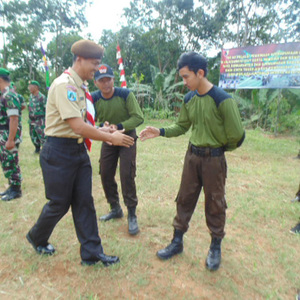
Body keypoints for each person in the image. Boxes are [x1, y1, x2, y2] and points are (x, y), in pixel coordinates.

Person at [26, 39, 135, 266]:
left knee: (85, 202)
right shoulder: (64, 85)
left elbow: (82, 124)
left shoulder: (79, 86)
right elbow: (76, 126)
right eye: (94, 64)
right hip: (59, 152)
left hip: (77, 150)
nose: (96, 69)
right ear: (80, 59)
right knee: (59, 203)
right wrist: (109, 137)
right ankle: (37, 236)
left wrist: (101, 129)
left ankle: (92, 254)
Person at [140, 52, 245, 271]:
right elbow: (182, 126)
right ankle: (177, 241)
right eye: (182, 77)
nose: (184, 82)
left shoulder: (223, 99)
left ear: (200, 73)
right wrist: (159, 131)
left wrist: (218, 150)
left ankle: (215, 247)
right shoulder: (189, 99)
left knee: (215, 203)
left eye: (186, 77)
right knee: (184, 199)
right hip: (192, 158)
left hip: (214, 161)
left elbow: (237, 135)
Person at [91, 64, 144, 235]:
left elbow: (138, 117)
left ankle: (132, 213)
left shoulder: (125, 94)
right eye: (101, 81)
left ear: (114, 79)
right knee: (105, 172)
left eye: (108, 79)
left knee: (126, 174)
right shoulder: (93, 98)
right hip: (108, 139)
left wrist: (119, 126)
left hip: (127, 136)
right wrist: (102, 126)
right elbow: (88, 120)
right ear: (96, 83)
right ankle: (115, 208)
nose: (105, 83)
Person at [0, 69, 22, 201]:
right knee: (6, 161)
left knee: (11, 161)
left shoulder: (9, 95)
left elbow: (14, 118)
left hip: (8, 134)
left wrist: (11, 139)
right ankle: (11, 186)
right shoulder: (3, 94)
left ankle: (16, 189)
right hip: (4, 133)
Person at [28, 80, 47, 153]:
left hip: (40, 120)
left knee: (42, 135)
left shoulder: (41, 97)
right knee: (33, 135)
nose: (29, 88)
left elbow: (46, 109)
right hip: (32, 120)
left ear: (36, 87)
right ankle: (37, 148)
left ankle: (45, 149)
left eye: (31, 86)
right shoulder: (30, 96)